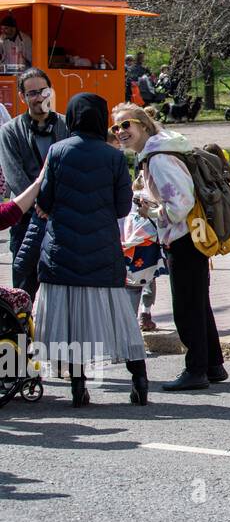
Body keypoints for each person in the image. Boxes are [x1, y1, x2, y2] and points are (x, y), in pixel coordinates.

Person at [34, 94, 148, 406]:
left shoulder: (57, 151)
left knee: (71, 322)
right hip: (102, 250)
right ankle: (139, 378)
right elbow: (123, 207)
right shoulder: (112, 156)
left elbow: (44, 201)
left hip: (63, 250)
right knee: (120, 318)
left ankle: (78, 387)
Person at [113, 103, 227, 390]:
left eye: (126, 125)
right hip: (192, 234)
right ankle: (213, 364)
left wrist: (150, 212)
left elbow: (179, 205)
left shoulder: (159, 158)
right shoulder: (161, 150)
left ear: (143, 125)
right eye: (115, 127)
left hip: (183, 237)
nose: (120, 131)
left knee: (187, 306)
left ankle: (196, 370)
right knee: (198, 302)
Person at [0, 68, 68, 296]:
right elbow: (14, 177)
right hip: (25, 221)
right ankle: (21, 333)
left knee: (62, 288)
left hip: (63, 219)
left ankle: (55, 333)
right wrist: (41, 205)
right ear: (22, 97)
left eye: (43, 91)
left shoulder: (67, 126)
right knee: (22, 291)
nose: (39, 97)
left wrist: (53, 206)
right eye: (32, 93)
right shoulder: (9, 131)